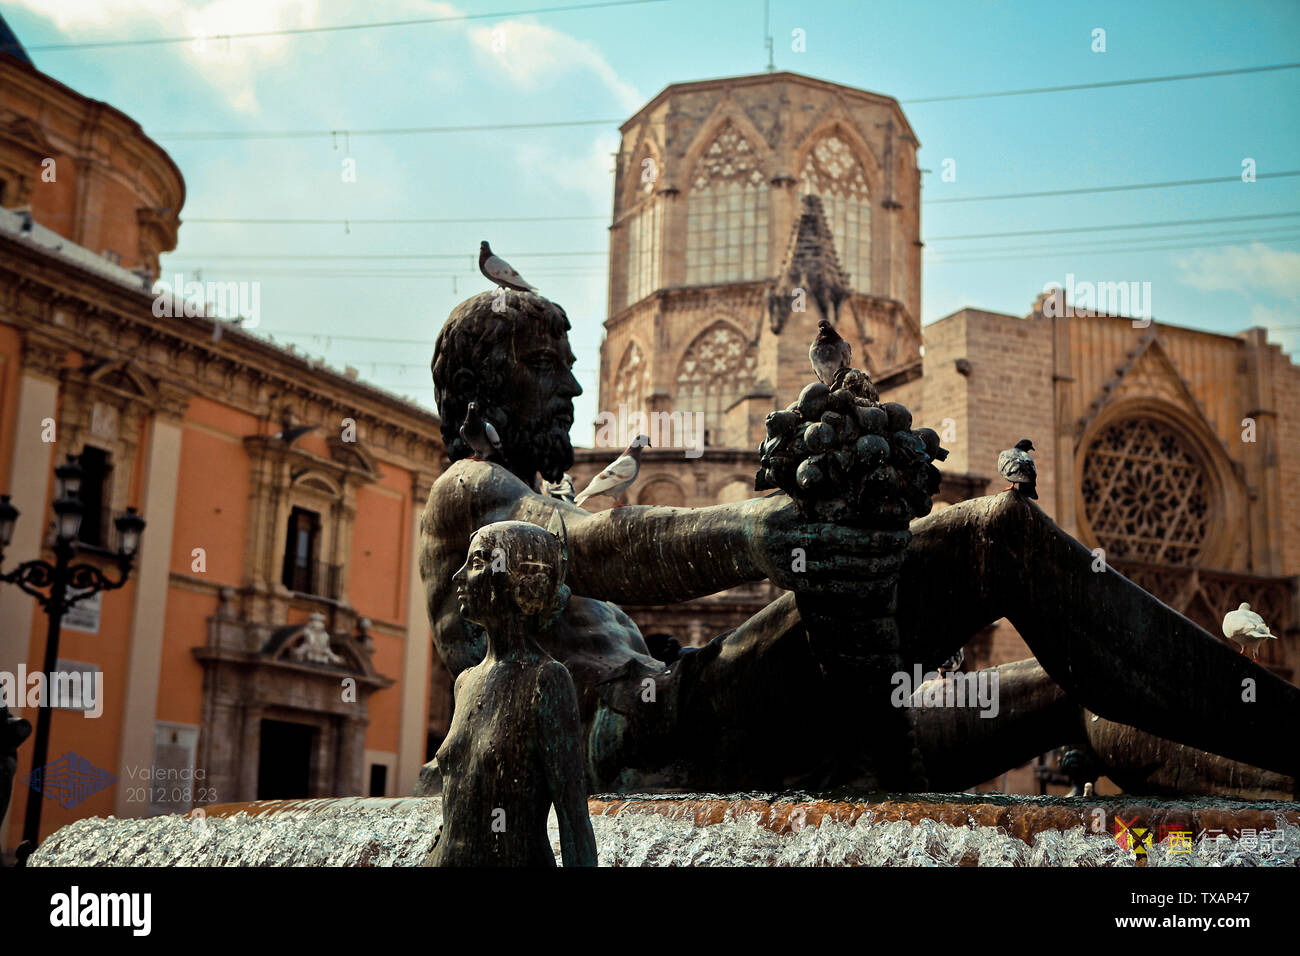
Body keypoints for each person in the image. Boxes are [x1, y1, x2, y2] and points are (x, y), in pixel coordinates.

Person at [422, 290, 1300, 794]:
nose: (575, 382)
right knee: (991, 535)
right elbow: (598, 548)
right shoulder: (468, 492)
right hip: (668, 743)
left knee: (1071, 694)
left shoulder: (527, 490)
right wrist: (756, 528)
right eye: (546, 363)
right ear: (479, 385)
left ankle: (1270, 792)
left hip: (712, 728)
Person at [426, 519, 597, 867]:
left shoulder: (546, 680)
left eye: (475, 563)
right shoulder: (465, 682)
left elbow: (573, 818)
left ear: (522, 580)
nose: (457, 577)